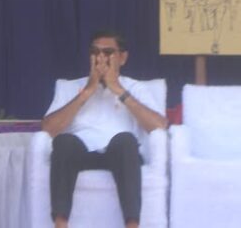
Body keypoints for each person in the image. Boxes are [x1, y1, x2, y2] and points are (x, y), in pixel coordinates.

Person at [41, 29, 167, 228]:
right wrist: (87, 91)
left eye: (107, 52)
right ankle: (61, 225)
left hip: (120, 155)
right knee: (64, 142)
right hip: (79, 154)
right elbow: (48, 128)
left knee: (126, 140)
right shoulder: (69, 87)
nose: (100, 58)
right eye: (95, 52)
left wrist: (118, 90)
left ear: (122, 58)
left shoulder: (136, 88)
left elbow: (159, 126)